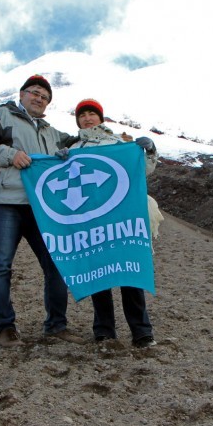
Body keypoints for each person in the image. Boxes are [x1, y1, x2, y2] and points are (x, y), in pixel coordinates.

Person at [0, 75, 82, 348]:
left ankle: (56, 326)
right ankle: (4, 329)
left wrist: (132, 146)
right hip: (6, 200)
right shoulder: (1, 116)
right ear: (21, 94)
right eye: (34, 93)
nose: (39, 98)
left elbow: (83, 145)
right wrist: (9, 155)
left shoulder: (52, 133)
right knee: (0, 266)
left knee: (56, 264)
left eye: (44, 97)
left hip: (41, 207)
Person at [68, 98, 161, 348]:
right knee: (99, 275)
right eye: (82, 115)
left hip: (121, 217)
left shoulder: (118, 144)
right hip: (93, 218)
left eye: (92, 114)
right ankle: (104, 332)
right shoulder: (73, 148)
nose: (87, 118)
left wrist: (149, 150)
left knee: (129, 271)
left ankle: (142, 332)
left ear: (101, 118)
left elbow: (142, 171)